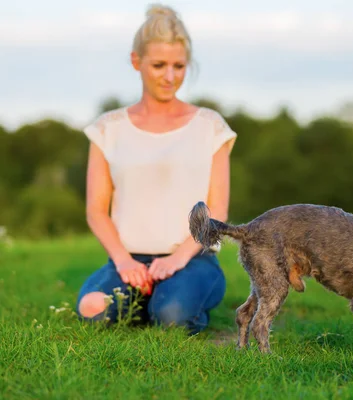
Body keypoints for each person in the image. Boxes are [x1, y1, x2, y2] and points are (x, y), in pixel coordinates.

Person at [75, 3, 237, 335]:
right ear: (137, 62)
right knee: (91, 308)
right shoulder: (108, 128)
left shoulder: (211, 126)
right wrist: (123, 261)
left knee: (172, 316)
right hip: (128, 261)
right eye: (159, 65)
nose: (170, 76)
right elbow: (96, 210)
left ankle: (167, 303)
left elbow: (217, 208)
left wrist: (178, 258)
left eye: (179, 66)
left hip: (192, 260)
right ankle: (142, 297)